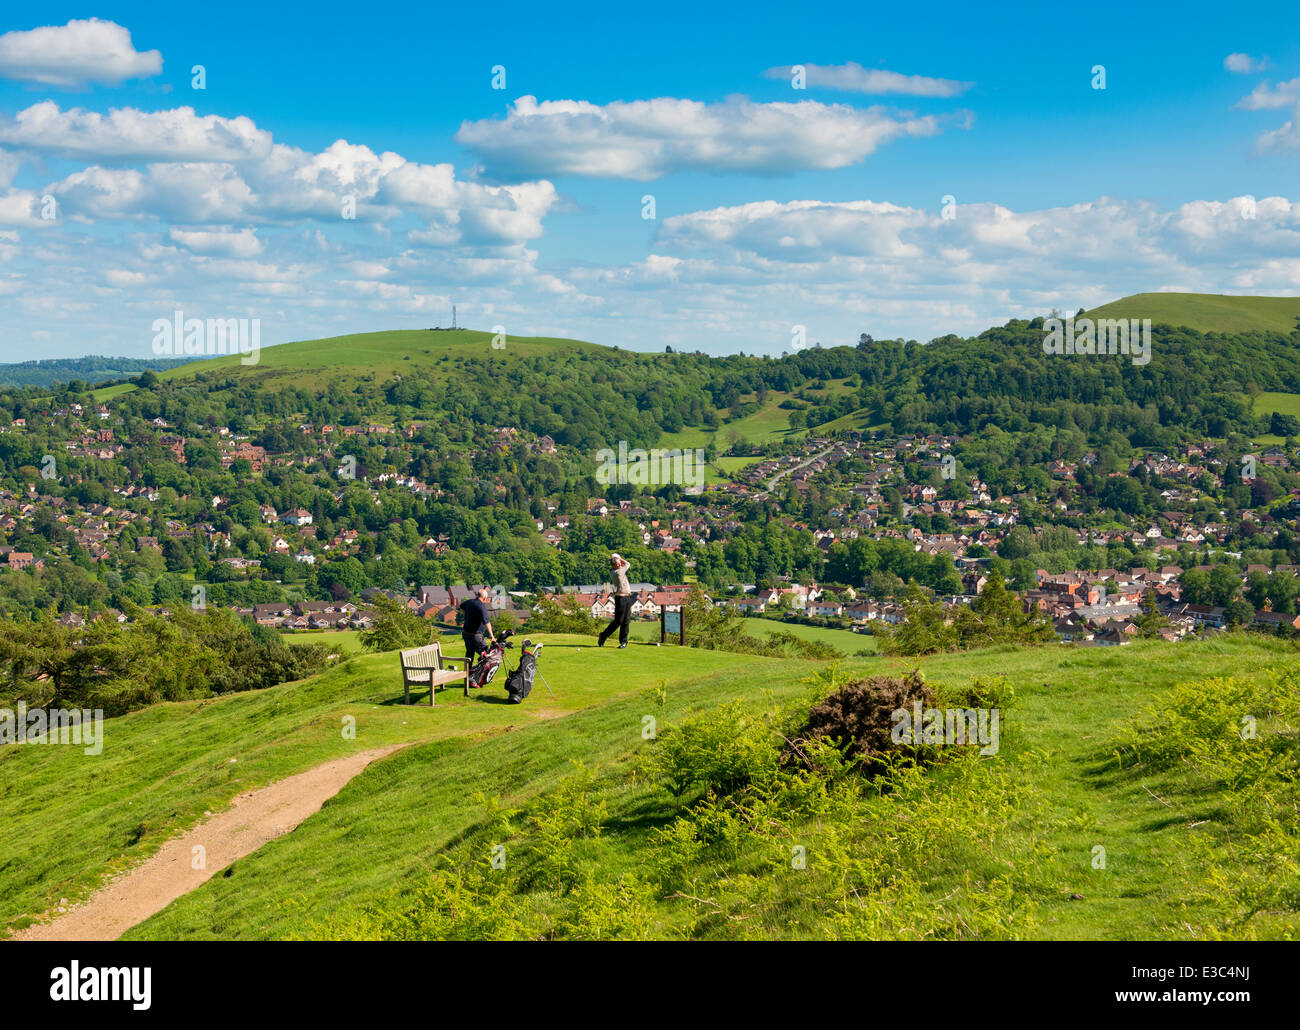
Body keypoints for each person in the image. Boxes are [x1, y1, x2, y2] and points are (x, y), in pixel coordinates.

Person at [598, 553, 633, 648]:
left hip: (627, 597)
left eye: (620, 563)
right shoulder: (617, 572)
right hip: (620, 599)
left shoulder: (617, 570)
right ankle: (603, 635)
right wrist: (620, 558)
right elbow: (628, 564)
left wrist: (617, 559)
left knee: (626, 621)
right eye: (618, 563)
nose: (620, 564)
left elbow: (625, 564)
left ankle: (623, 642)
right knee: (618, 621)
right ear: (614, 565)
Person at [460, 586, 497, 668]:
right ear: (484, 598)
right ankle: (479, 674)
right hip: (475, 635)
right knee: (486, 654)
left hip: (466, 634)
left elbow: (461, 606)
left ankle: (468, 674)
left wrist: (466, 616)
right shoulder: (481, 606)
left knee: (469, 654)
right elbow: (487, 622)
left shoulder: (470, 602)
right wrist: (492, 636)